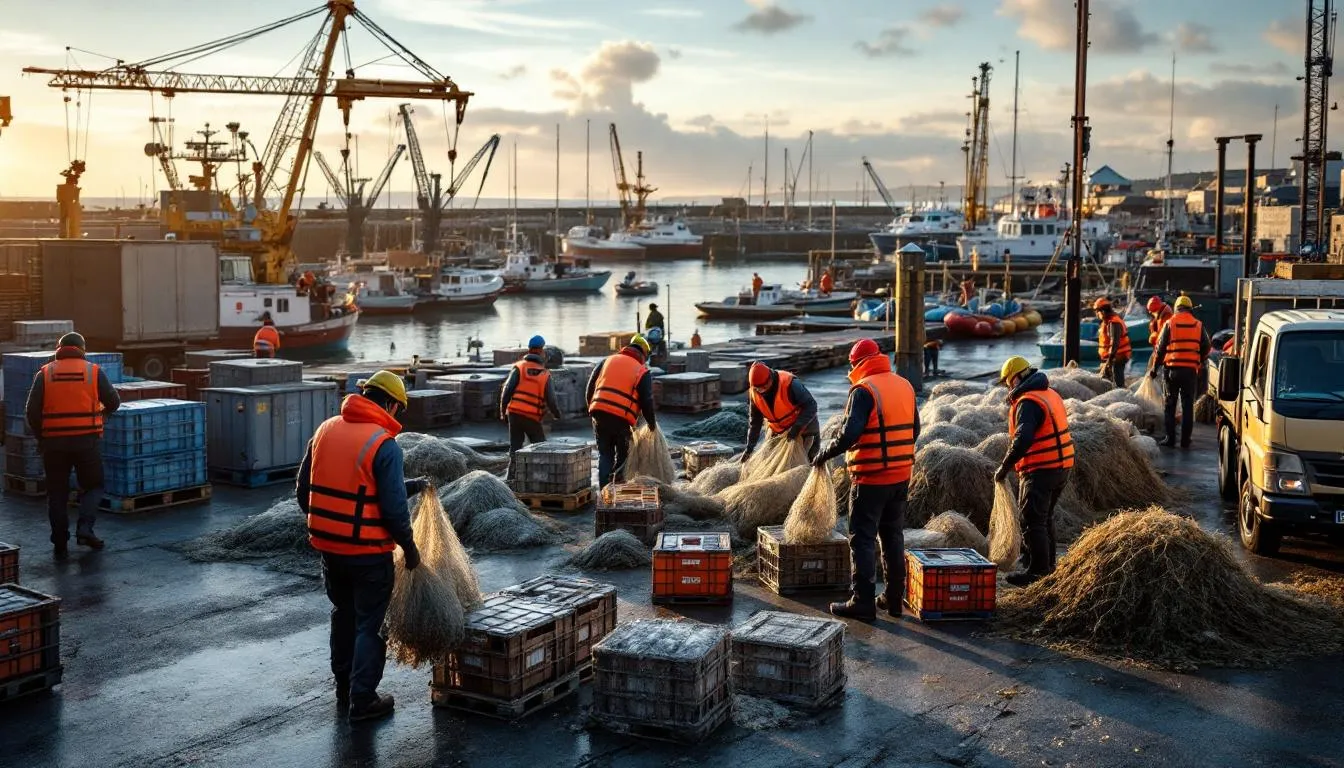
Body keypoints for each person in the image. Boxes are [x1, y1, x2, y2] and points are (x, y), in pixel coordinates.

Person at [297, 370, 427, 723]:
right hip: (368, 555)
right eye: (398, 408)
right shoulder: (383, 444)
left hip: (328, 548)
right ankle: (363, 700)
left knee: (343, 614)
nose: (396, 415)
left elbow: (304, 492)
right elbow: (394, 510)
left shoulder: (325, 430)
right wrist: (410, 550)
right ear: (388, 403)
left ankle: (344, 689)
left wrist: (330, 523)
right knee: (370, 624)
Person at [811, 339, 919, 621]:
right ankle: (894, 600)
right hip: (900, 476)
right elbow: (915, 429)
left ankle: (863, 602)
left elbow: (849, 434)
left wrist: (824, 453)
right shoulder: (903, 385)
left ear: (857, 364)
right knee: (893, 537)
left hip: (870, 479)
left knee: (862, 539)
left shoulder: (864, 390)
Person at [25, 332, 121, 559]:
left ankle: (60, 542)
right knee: (94, 486)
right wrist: (101, 417)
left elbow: (31, 411)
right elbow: (114, 402)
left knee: (57, 493)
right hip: (86, 442)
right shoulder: (93, 371)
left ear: (59, 348)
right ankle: (85, 529)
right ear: (82, 349)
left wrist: (43, 437)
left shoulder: (45, 373)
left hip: (54, 444)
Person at [994, 356, 1073, 587]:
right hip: (1062, 465)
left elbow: (1023, 438)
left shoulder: (1028, 402)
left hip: (1042, 468)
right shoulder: (1049, 393)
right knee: (1044, 517)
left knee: (1031, 520)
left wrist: (1004, 467)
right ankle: (1048, 567)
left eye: (1009, 382)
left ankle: (1037, 573)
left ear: (1017, 377)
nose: (1009, 387)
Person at [586, 334, 657, 488]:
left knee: (605, 454)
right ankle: (617, 492)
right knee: (624, 456)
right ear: (643, 353)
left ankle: (604, 492)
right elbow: (647, 401)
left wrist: (591, 409)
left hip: (599, 414)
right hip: (621, 419)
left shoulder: (606, 361)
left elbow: (590, 386)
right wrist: (652, 425)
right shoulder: (642, 371)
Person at [1149, 295, 1211, 449]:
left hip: (1171, 370)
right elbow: (1207, 346)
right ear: (1190, 309)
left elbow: (1161, 348)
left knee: (1170, 405)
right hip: (1190, 371)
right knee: (1188, 406)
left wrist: (1154, 368)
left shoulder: (1170, 323)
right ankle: (1185, 441)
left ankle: (1170, 439)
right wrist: (1199, 359)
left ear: (1177, 309)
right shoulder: (1198, 324)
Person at [500, 335, 562, 469]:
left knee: (515, 448)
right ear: (541, 351)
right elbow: (551, 400)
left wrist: (503, 411)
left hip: (514, 414)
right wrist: (557, 415)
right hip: (531, 417)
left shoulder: (519, 367)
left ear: (529, 350)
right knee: (540, 447)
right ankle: (540, 476)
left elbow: (507, 390)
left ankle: (511, 479)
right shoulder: (545, 374)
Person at [743, 362, 821, 461]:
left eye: (764, 387)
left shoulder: (789, 383)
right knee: (772, 462)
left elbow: (811, 405)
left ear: (770, 378)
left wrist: (796, 428)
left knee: (807, 462)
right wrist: (749, 448)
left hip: (804, 429)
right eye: (758, 389)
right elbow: (755, 422)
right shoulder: (755, 393)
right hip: (779, 433)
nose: (762, 391)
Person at [1093, 298, 1130, 387]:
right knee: (1110, 382)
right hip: (1113, 357)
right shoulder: (1107, 322)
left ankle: (1121, 396)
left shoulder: (1113, 323)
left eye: (1097, 312)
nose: (1097, 315)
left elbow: (1115, 342)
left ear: (1103, 311)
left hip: (1117, 357)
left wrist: (1109, 360)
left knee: (1117, 383)